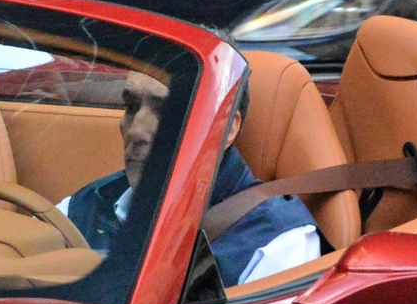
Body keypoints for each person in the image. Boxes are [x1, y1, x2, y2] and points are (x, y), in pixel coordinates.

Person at [61, 69, 321, 285]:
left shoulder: (276, 245)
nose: (136, 131)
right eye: (131, 106)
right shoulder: (83, 206)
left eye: (168, 112)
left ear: (226, 128)